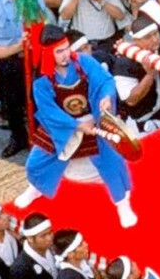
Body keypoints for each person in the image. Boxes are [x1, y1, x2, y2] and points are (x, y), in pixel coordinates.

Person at [13, 24, 138, 228]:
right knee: (36, 162)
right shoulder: (42, 79)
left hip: (94, 118)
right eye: (59, 51)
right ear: (47, 53)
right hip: (63, 125)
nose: (65, 55)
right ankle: (35, 187)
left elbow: (105, 81)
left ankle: (122, 203)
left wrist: (106, 98)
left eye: (66, 48)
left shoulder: (83, 62)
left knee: (111, 163)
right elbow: (48, 112)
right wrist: (77, 126)